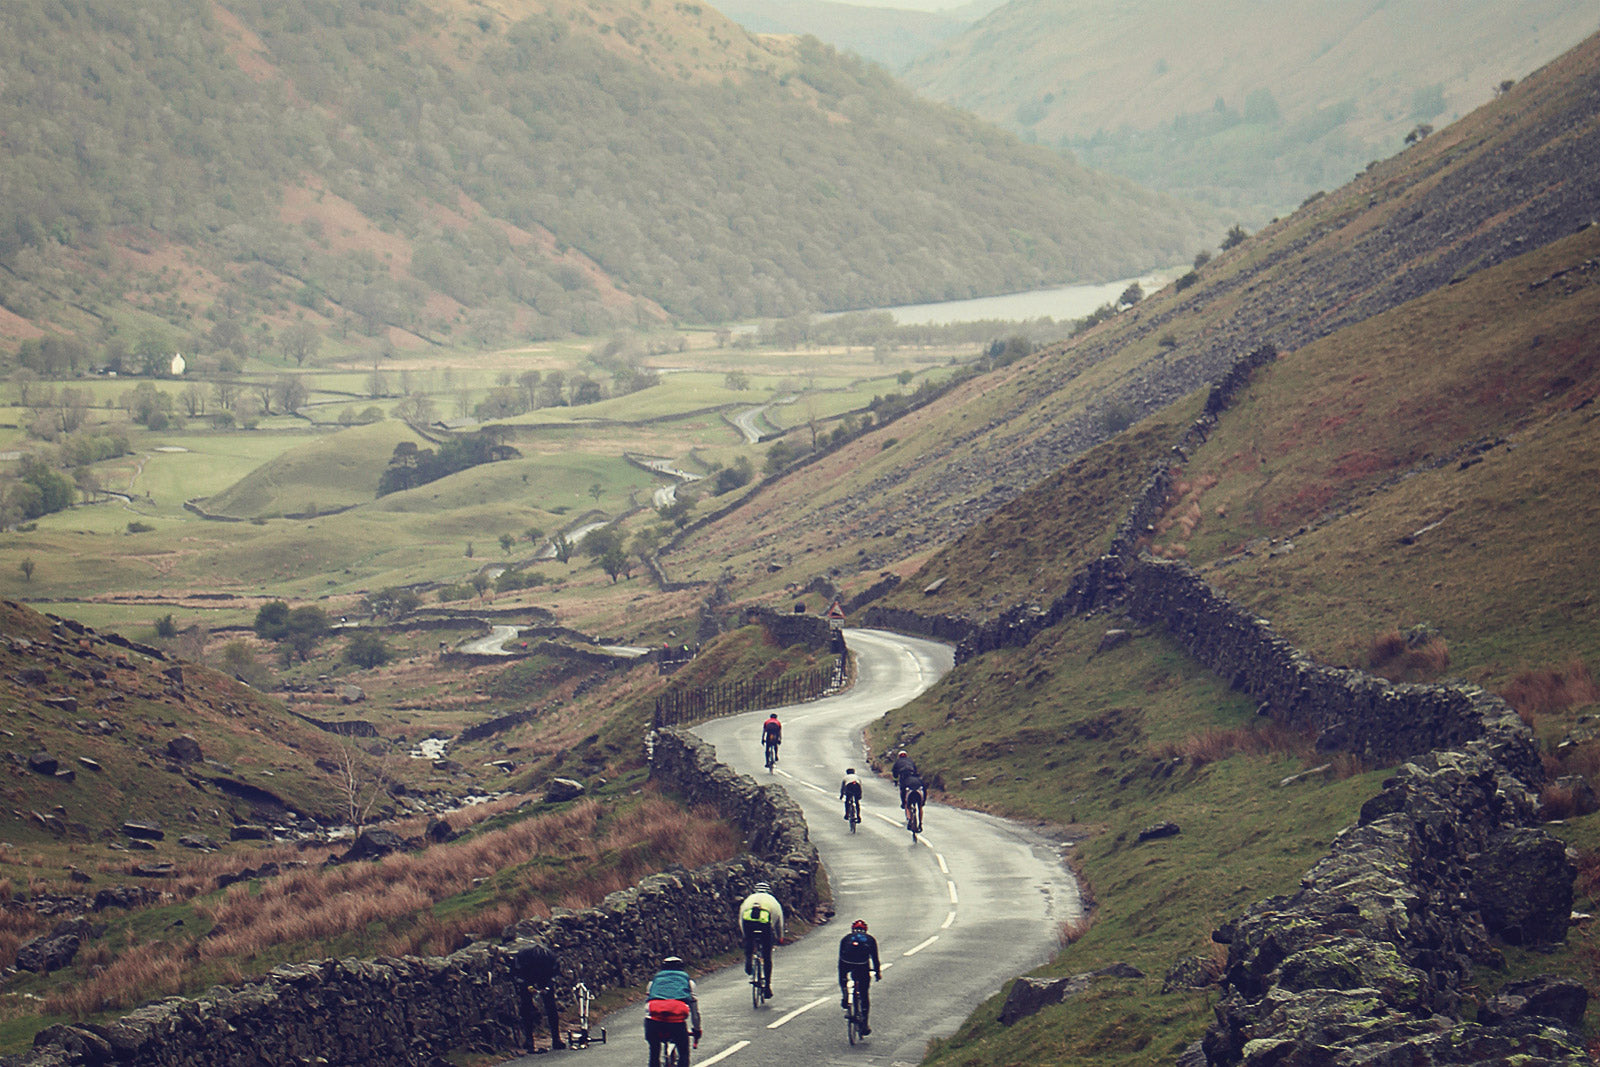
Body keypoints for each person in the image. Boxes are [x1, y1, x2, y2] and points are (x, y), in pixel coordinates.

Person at [509, 938, 565, 1052]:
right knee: (526, 1007)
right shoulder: (522, 957)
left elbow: (556, 974)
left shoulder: (550, 958)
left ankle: (556, 1038)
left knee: (551, 1006)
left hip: (545, 977)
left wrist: (548, 987)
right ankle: (529, 1040)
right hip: (526, 977)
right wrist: (527, 986)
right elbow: (515, 974)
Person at [645, 956, 701, 1067]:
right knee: (683, 1051)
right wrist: (697, 1029)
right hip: (676, 1020)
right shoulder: (689, 983)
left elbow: (648, 1003)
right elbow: (694, 1011)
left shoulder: (653, 983)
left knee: (654, 1051)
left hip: (654, 1018)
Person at [738, 881, 784, 996]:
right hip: (765, 925)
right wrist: (780, 937)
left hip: (748, 924)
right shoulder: (773, 901)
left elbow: (740, 919)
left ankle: (748, 959)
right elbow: (779, 922)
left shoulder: (748, 900)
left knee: (749, 941)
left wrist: (745, 936)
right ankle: (767, 987)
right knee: (767, 956)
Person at [838, 919, 882, 1035]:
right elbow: (874, 958)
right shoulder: (870, 939)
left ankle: (845, 996)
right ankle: (864, 1024)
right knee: (864, 993)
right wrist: (877, 972)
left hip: (846, 962)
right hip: (862, 964)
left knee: (843, 977)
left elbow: (841, 956)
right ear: (865, 930)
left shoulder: (846, 938)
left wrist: (843, 978)